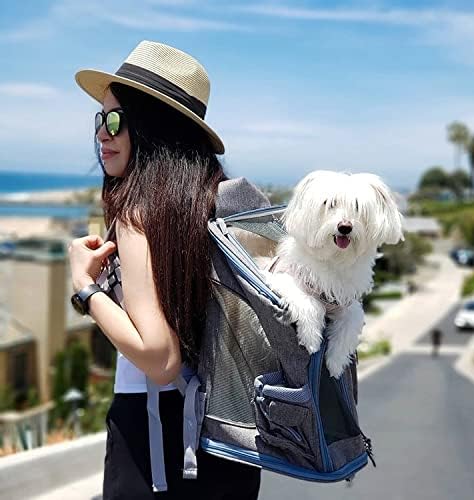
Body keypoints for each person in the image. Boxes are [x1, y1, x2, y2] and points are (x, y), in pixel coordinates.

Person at [68, 41, 261, 499]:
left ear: (151, 124)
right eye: (99, 120)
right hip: (230, 442)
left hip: (156, 444)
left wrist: (86, 288)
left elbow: (160, 359)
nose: (102, 135)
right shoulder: (218, 204)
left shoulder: (139, 215)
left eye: (115, 120)